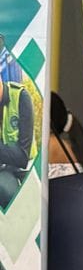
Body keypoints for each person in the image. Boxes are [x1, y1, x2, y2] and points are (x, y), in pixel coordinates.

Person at [0, 60, 35, 206]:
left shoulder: (20, 97)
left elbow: (22, 157)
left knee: (5, 190)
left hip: (24, 171)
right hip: (3, 167)